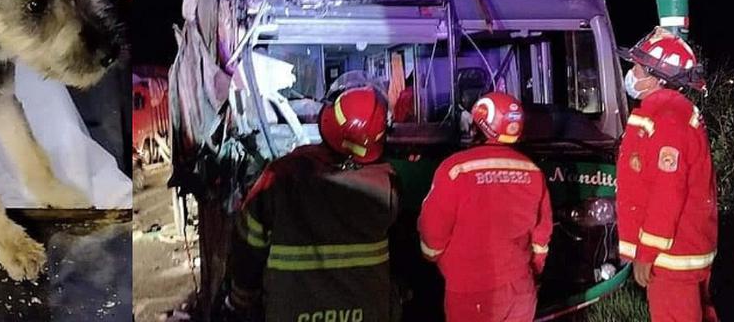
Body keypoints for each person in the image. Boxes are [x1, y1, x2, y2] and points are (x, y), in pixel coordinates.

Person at [223, 85, 401, 322]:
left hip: (292, 311)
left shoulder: (281, 175)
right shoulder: (387, 184)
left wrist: (239, 298)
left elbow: (247, 245)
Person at [418, 92, 552, 322]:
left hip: (471, 292)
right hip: (521, 289)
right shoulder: (532, 172)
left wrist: (435, 259)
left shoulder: (455, 170)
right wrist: (530, 271)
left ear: (477, 126)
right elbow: (541, 238)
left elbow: (432, 234)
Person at [616, 27, 719, 322]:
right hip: (685, 249)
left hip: (674, 257)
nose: (631, 71)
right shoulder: (669, 111)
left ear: (656, 75)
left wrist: (646, 252)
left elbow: (667, 192)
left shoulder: (667, 118)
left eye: (637, 65)